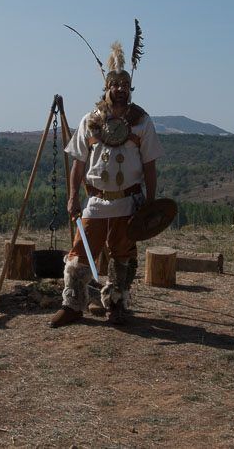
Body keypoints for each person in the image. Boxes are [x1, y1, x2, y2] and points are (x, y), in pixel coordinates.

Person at [50, 39, 164, 327]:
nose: (121, 89)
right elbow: (78, 162)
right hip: (97, 200)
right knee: (79, 253)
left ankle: (116, 305)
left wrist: (151, 201)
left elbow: (150, 164)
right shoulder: (91, 120)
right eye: (116, 85)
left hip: (129, 200)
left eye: (125, 85)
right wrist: (73, 195)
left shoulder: (142, 122)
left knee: (121, 255)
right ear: (107, 88)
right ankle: (73, 305)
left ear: (130, 88)